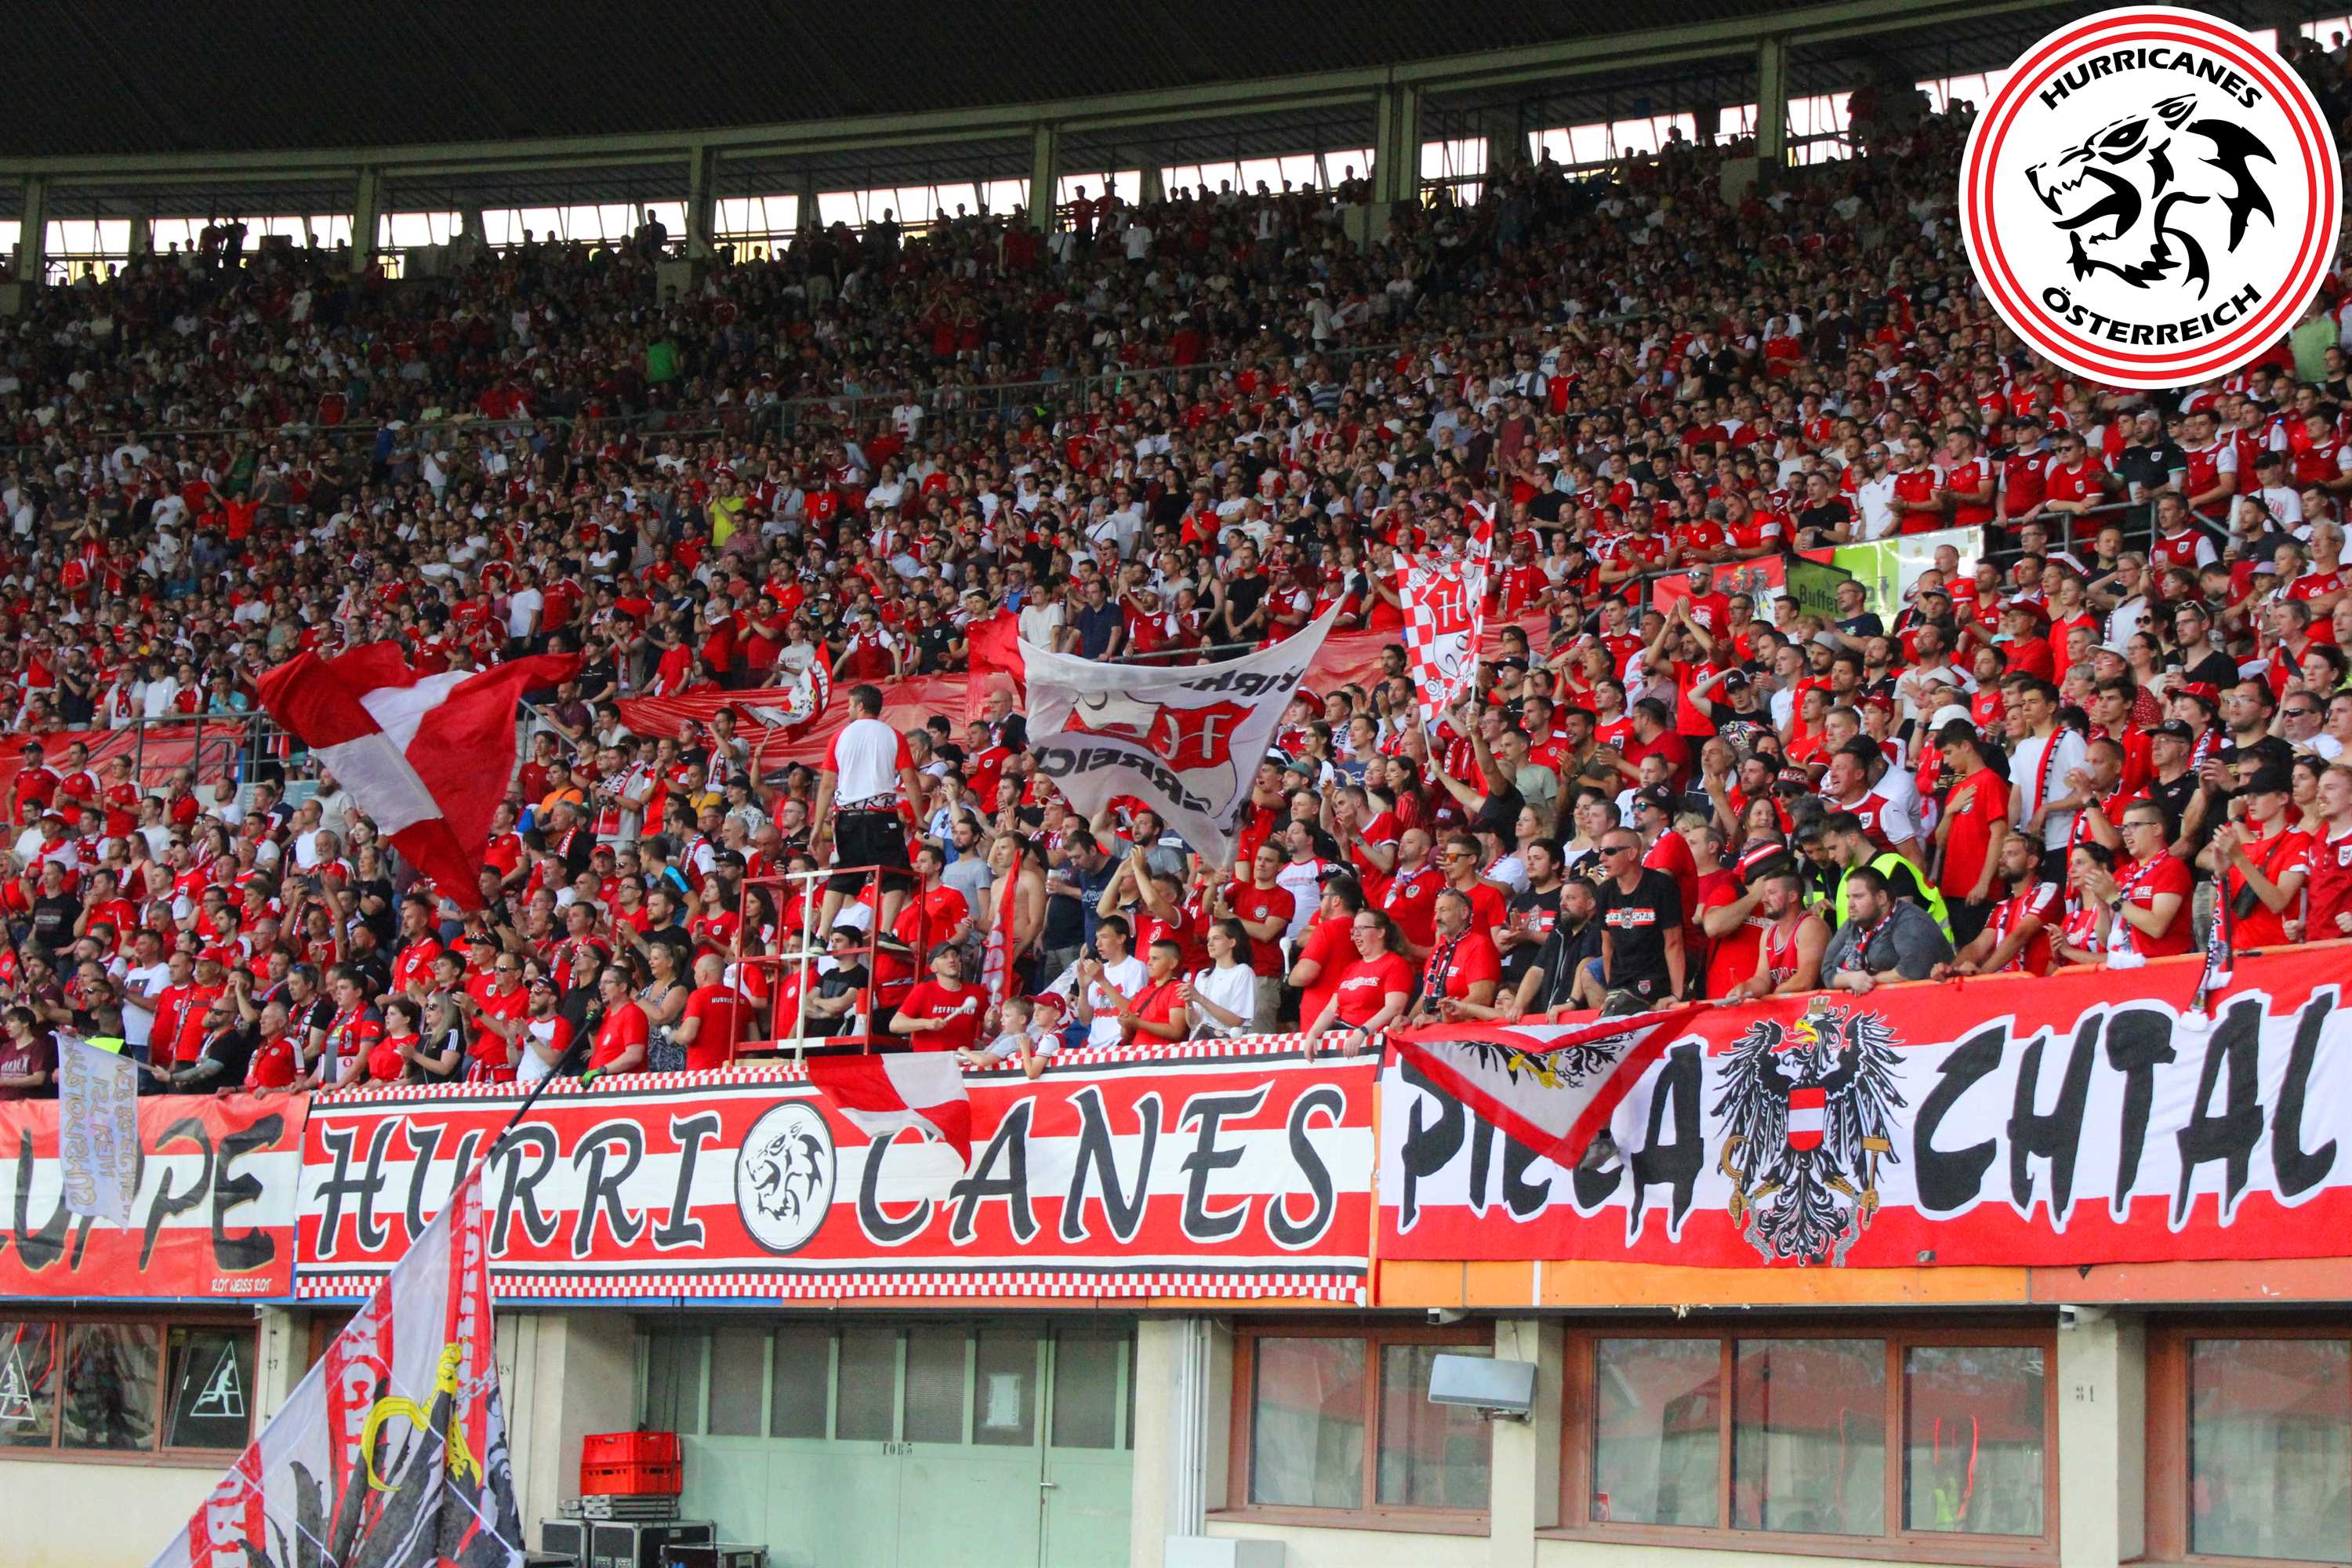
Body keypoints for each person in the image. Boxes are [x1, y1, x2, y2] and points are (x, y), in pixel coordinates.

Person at [810, 683, 924, 935]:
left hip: (847, 818)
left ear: (860, 706)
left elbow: (827, 784)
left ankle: (822, 935)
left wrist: (817, 826)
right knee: (896, 876)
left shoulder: (839, 736)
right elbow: (911, 780)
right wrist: (921, 817)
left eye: (850, 705)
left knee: (842, 877)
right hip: (882, 818)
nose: (847, 710)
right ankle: (885, 932)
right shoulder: (893, 735)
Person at [1933, 833, 2058, 978]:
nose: (2002, 860)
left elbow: (2020, 935)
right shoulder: (2002, 907)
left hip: (2038, 986)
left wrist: (1983, 974)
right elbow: (1978, 946)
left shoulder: (2048, 891)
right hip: (2007, 985)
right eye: (2002, 854)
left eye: (2011, 854)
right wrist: (1952, 971)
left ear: (2031, 862)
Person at [1592, 827, 1686, 1010]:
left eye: (1610, 851)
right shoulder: (1604, 891)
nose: (1602, 858)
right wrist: (1612, 991)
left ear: (1632, 853)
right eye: (1601, 851)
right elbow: (1607, 945)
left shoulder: (1661, 885)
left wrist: (1676, 994)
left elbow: (1674, 942)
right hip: (1620, 984)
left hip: (1655, 981)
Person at [1820, 867, 1953, 992]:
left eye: (1858, 897)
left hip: (1927, 1000)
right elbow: (1827, 971)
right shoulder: (1854, 923)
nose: (1850, 905)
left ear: (1881, 898)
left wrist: (1868, 981)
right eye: (1849, 897)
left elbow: (1910, 972)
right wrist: (1850, 979)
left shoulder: (1910, 920)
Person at [1304, 908, 1414, 1056]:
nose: (1356, 934)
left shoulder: (1396, 964)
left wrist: (1362, 1032)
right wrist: (1313, 1033)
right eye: (1354, 930)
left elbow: (1394, 1008)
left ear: (1381, 932)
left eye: (1362, 928)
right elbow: (1330, 1009)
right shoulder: (1351, 968)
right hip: (1345, 1038)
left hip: (1373, 1043)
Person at [1724, 866, 1828, 1001]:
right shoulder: (1768, 934)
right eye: (1764, 894)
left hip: (1814, 1009)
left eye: (1771, 893)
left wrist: (1774, 995)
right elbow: (1762, 979)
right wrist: (1744, 989)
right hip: (1786, 1008)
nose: (1764, 900)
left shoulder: (1810, 926)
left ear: (1792, 896)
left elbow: (1805, 981)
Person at [891, 941, 986, 1053]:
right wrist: (927, 1023)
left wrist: (991, 1024)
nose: (951, 960)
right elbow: (895, 1025)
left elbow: (993, 1030)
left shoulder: (976, 992)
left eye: (955, 955)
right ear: (933, 968)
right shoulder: (923, 990)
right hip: (930, 1060)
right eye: (944, 957)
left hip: (964, 1060)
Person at [1184, 916, 1257, 1040]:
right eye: (1208, 939)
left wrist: (1200, 998)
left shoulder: (1243, 972)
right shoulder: (1203, 975)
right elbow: (1194, 1024)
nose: (1210, 943)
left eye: (1216, 938)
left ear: (1232, 942)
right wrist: (1189, 1001)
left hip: (1227, 1043)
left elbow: (1236, 1021)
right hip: (1200, 1042)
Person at [674, 952, 747, 1070]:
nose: (694, 977)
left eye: (695, 973)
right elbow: (754, 1040)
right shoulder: (742, 998)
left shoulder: (698, 996)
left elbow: (687, 1035)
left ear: (704, 975)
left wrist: (673, 1035)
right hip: (735, 1071)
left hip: (702, 1072)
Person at [587, 965, 649, 1076]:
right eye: (600, 983)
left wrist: (602, 1070)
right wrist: (592, 1030)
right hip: (600, 1082)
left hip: (620, 1084)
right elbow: (598, 1052)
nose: (601, 987)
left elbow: (634, 1056)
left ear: (623, 987)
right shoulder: (607, 1014)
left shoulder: (632, 1013)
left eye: (607, 982)